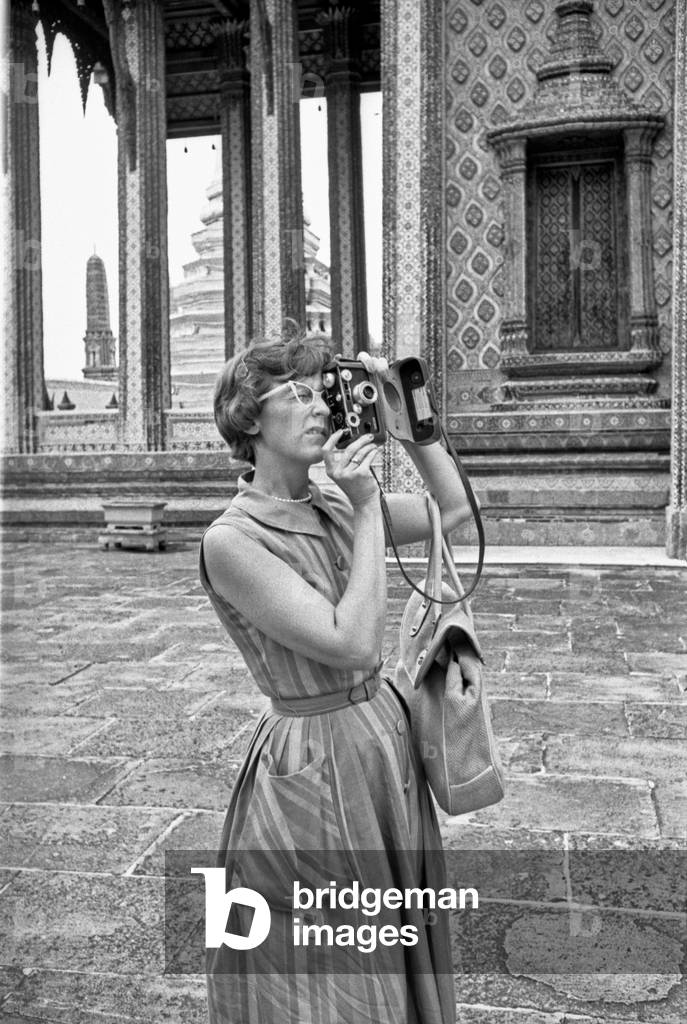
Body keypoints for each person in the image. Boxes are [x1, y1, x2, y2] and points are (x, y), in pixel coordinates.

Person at [198, 332, 473, 1024]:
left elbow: (457, 512)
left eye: (323, 389)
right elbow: (349, 643)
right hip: (314, 758)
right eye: (294, 392)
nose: (318, 404)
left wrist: (412, 421)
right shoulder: (233, 540)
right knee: (330, 965)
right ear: (246, 418)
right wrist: (366, 508)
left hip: (381, 744)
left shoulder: (332, 501)